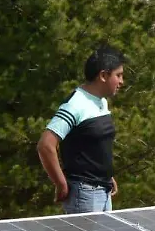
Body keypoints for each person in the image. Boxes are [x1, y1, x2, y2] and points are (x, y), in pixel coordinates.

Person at [37, 45, 126, 213]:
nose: (122, 81)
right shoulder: (75, 105)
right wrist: (61, 183)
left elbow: (93, 145)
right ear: (103, 76)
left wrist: (106, 176)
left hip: (103, 190)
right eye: (118, 75)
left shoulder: (101, 101)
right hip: (84, 195)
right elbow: (46, 145)